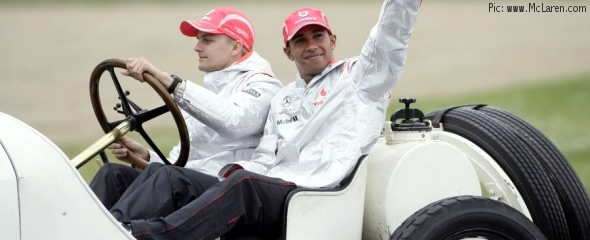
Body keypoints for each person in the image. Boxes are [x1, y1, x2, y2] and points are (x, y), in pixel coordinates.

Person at [109, 0, 421, 239]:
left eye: (318, 35)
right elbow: (264, 158)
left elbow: (391, 37)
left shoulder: (360, 79)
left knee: (244, 184)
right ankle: (97, 225)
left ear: (332, 40)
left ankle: (143, 234)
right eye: (300, 40)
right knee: (162, 175)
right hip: (278, 185)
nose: (311, 44)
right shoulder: (283, 98)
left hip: (316, 190)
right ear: (289, 52)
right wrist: (228, 176)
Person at [89, 7, 283, 210]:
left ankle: (117, 229)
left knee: (170, 179)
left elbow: (233, 122)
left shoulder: (263, 85)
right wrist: (144, 156)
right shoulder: (209, 93)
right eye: (198, 39)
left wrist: (168, 81)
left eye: (207, 40)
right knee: (113, 174)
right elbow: (180, 162)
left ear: (235, 47)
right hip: (189, 182)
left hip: (228, 189)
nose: (197, 47)